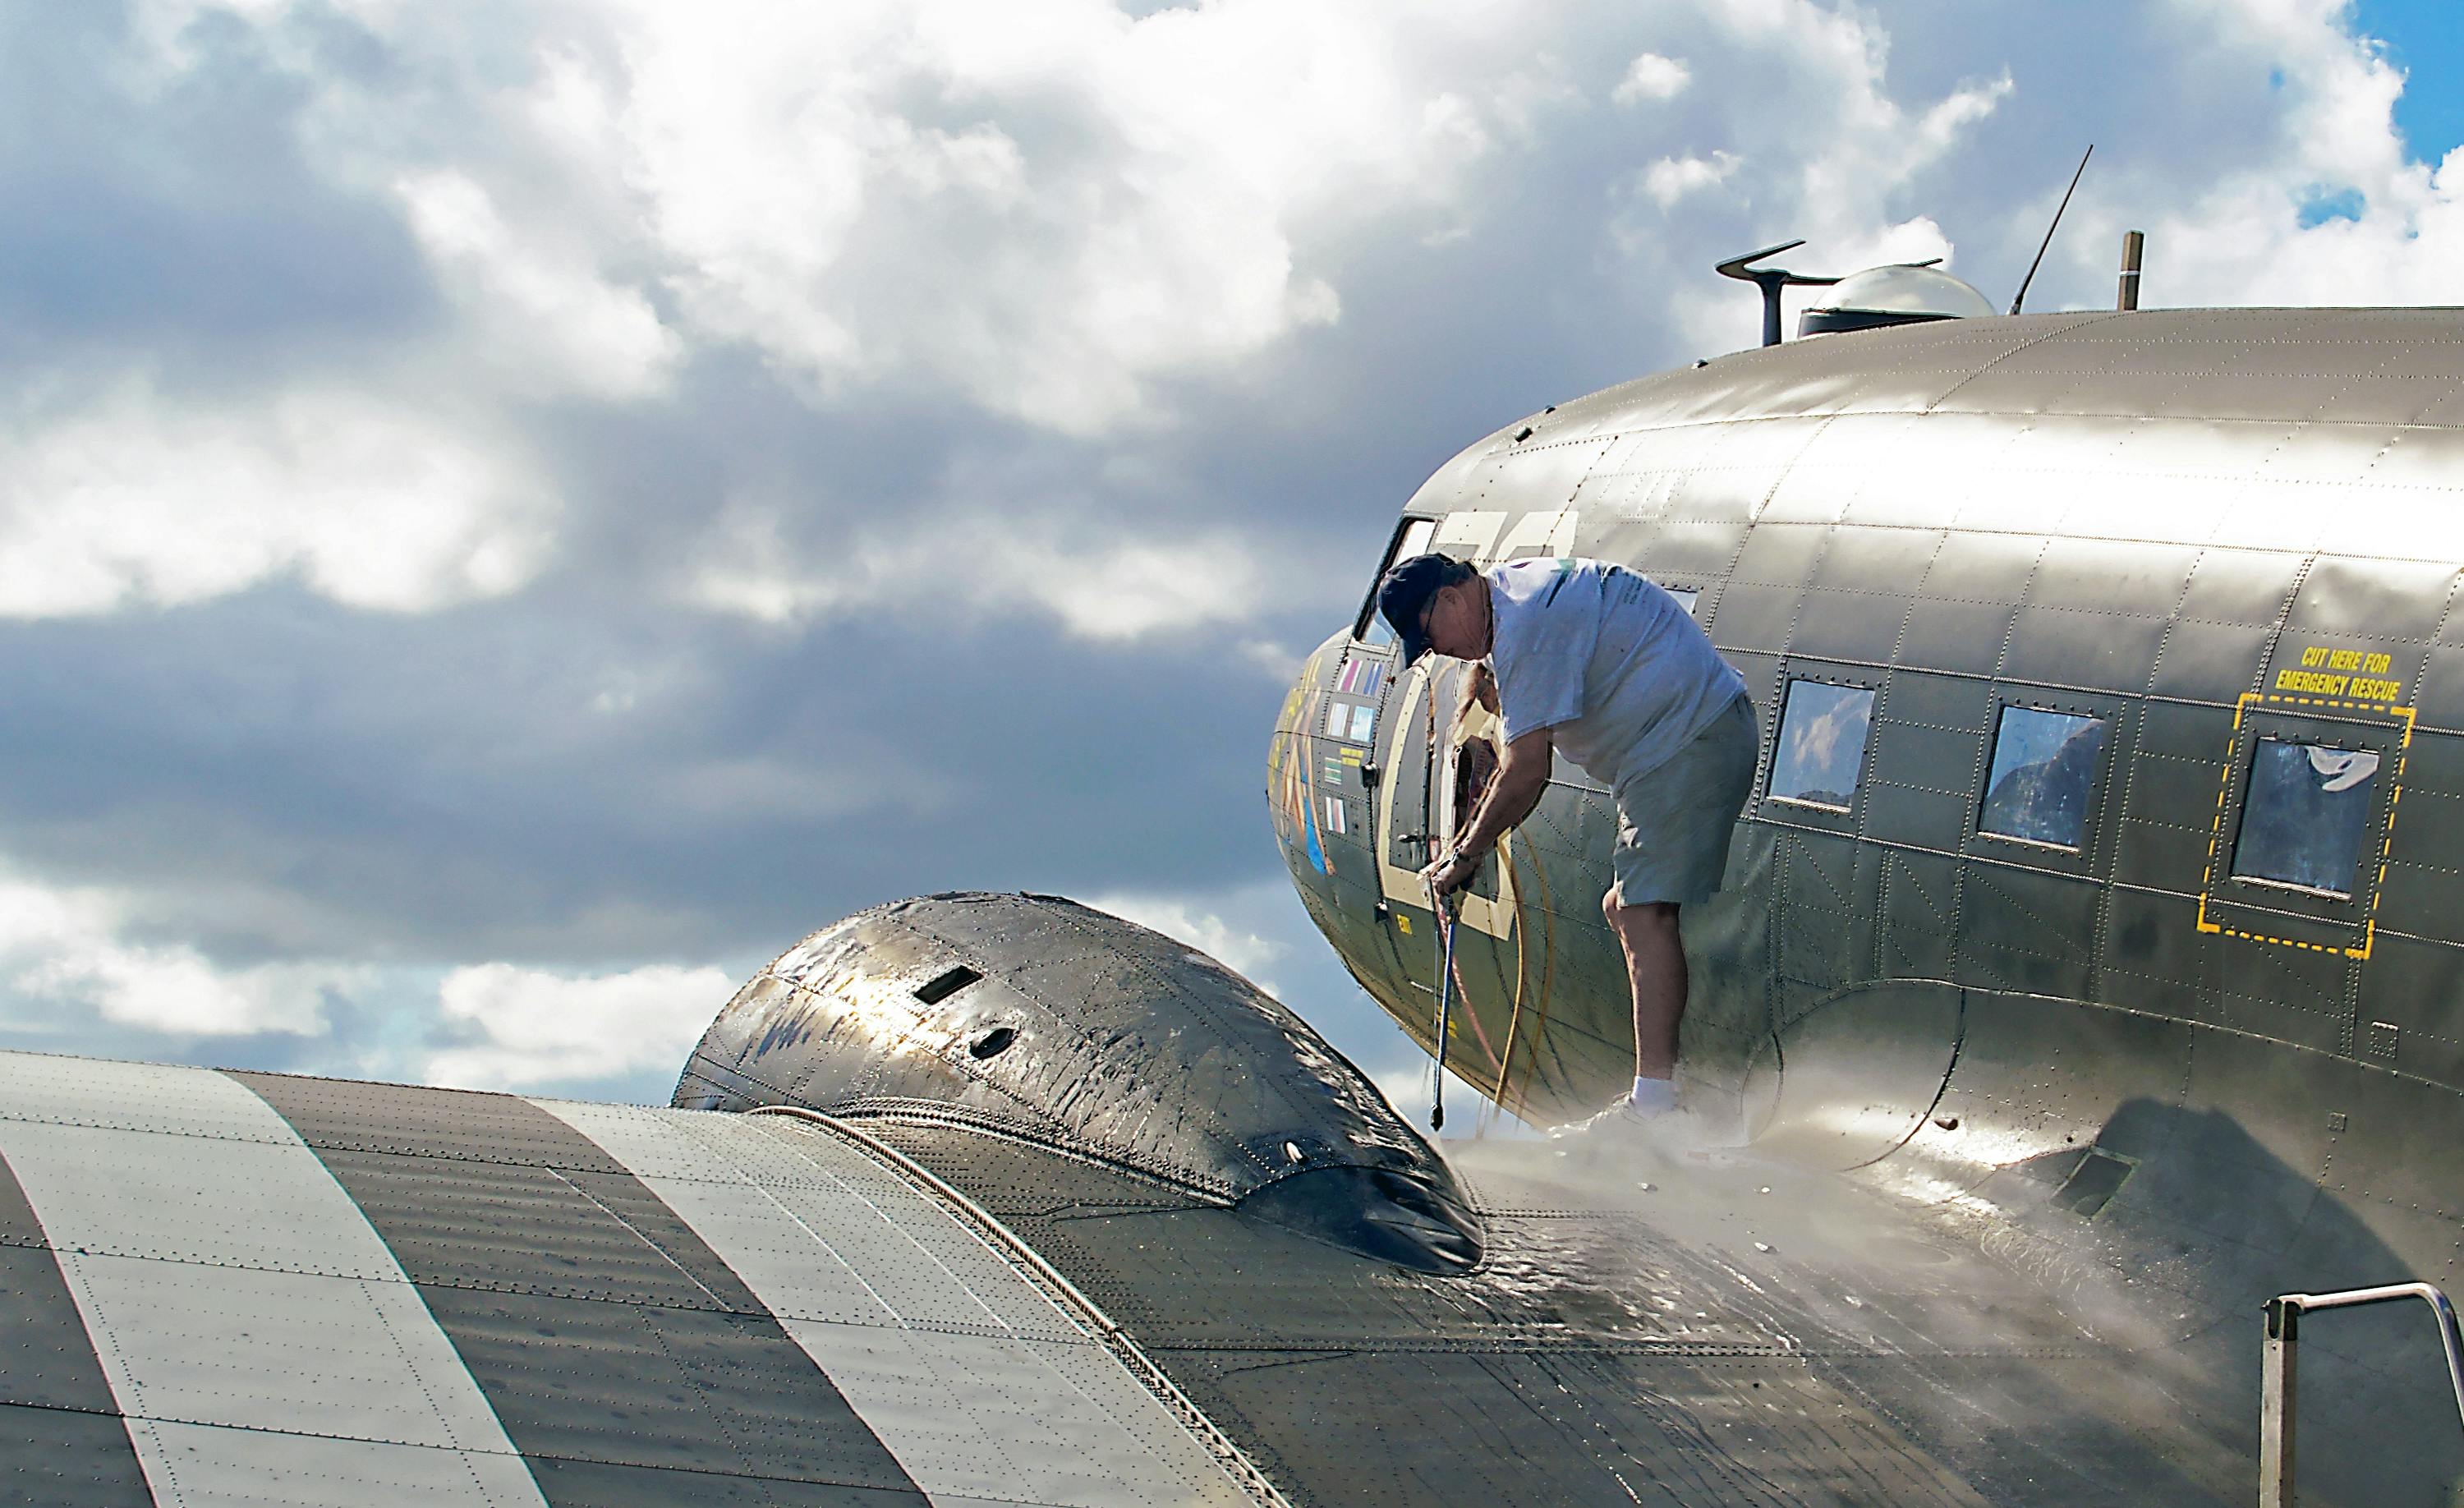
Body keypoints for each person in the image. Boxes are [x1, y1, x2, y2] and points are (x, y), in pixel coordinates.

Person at [1377, 552, 1756, 1134]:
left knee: (1642, 913)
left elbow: (1527, 771)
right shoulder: (1512, 592)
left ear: (1450, 599)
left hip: (1684, 743)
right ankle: (1661, 1086)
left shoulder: (1522, 628)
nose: (1440, 654)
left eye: (1430, 639)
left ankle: (1656, 1111)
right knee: (1622, 909)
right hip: (1687, 735)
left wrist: (1465, 852)